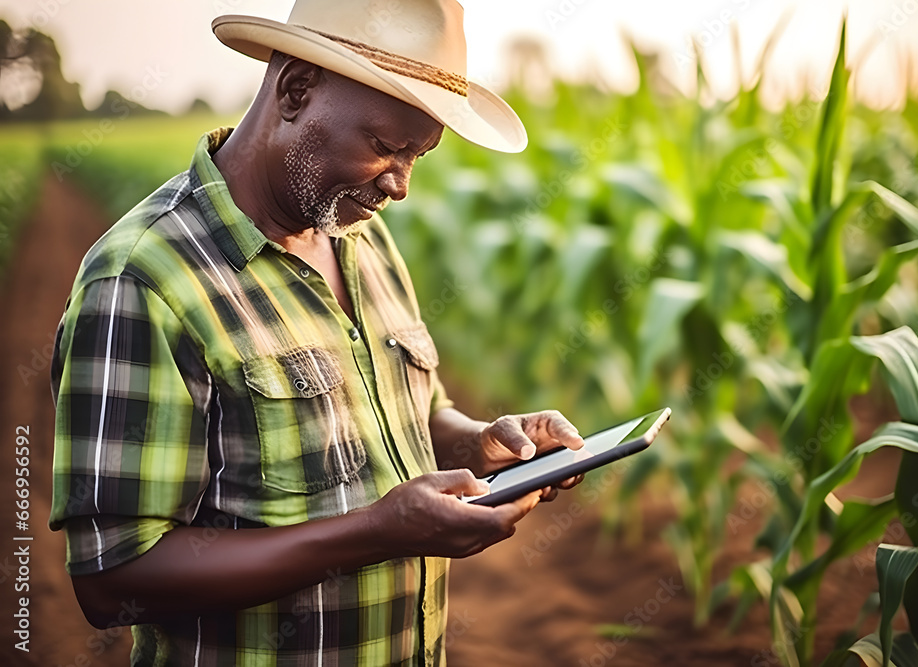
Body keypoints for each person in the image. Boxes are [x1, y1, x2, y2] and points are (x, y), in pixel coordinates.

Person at [48, 1, 586, 664]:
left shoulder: (361, 238)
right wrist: (375, 533)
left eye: (419, 154)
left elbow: (413, 414)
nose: (401, 184)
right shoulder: (144, 279)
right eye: (387, 147)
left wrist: (480, 442)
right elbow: (112, 579)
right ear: (297, 88)